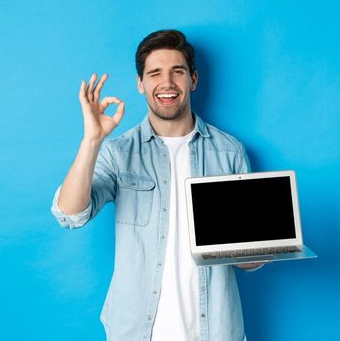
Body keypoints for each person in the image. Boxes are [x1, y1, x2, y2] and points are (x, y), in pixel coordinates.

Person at [51, 29, 262, 341]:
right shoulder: (118, 152)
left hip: (216, 331)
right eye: (155, 73)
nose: (167, 83)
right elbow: (70, 214)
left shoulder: (229, 152)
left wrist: (263, 247)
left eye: (177, 72)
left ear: (193, 80)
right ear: (141, 83)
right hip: (136, 332)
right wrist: (92, 140)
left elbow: (248, 261)